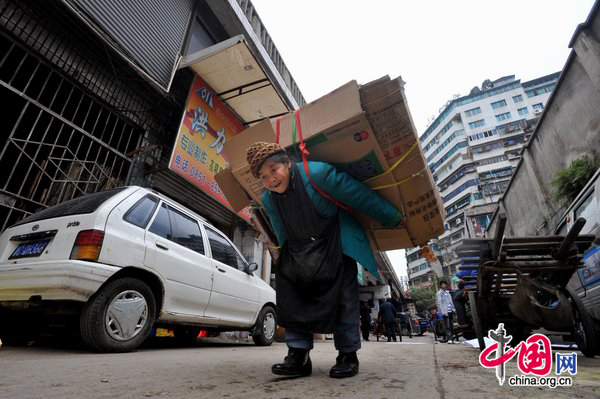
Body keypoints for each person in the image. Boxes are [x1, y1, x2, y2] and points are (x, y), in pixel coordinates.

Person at [246, 142, 403, 379]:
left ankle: (348, 355)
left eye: (274, 170)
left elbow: (357, 195)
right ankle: (298, 356)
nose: (271, 180)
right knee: (291, 294)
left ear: (287, 163)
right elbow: (280, 231)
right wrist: (284, 257)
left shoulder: (317, 174)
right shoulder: (269, 200)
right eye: (264, 177)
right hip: (300, 250)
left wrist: (391, 217)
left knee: (344, 300)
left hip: (334, 243)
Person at [436, 280, 456, 344]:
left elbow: (451, 301)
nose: (444, 285)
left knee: (451, 326)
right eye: (442, 284)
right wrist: (443, 312)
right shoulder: (439, 293)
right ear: (441, 285)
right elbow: (438, 303)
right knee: (447, 326)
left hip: (451, 310)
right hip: (445, 311)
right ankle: (449, 339)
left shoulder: (448, 293)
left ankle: (452, 339)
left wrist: (453, 309)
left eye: (445, 284)